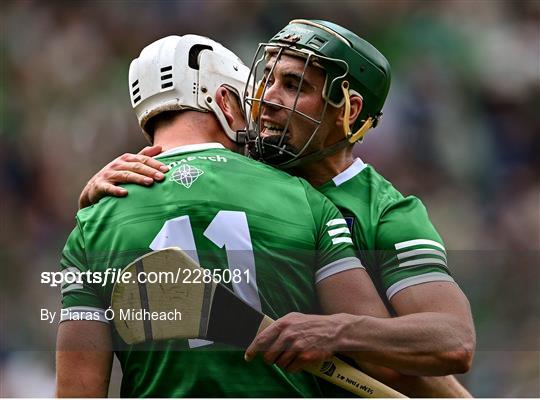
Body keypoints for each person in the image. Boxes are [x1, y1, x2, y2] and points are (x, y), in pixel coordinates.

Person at [77, 21, 476, 396]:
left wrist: (335, 331)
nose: (267, 98)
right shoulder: (242, 173)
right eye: (267, 78)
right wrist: (99, 192)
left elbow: (452, 340)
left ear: (349, 111)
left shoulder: (386, 213)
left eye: (292, 85)